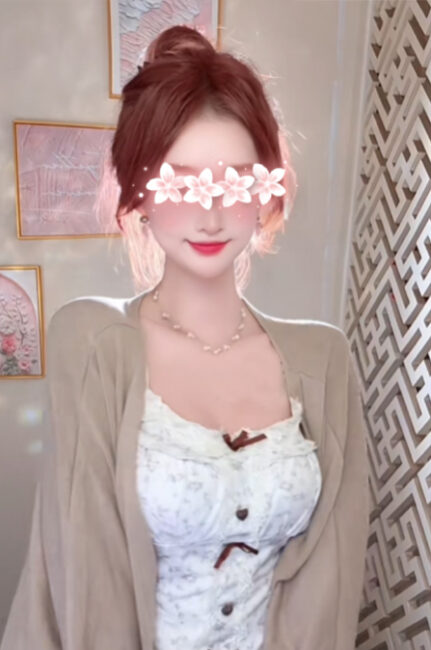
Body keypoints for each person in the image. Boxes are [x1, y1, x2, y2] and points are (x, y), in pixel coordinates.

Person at [1, 25, 369, 650]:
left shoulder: (323, 360)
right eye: (180, 183)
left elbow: (333, 577)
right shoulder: (91, 343)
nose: (210, 214)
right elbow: (83, 577)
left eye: (237, 181)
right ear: (139, 194)